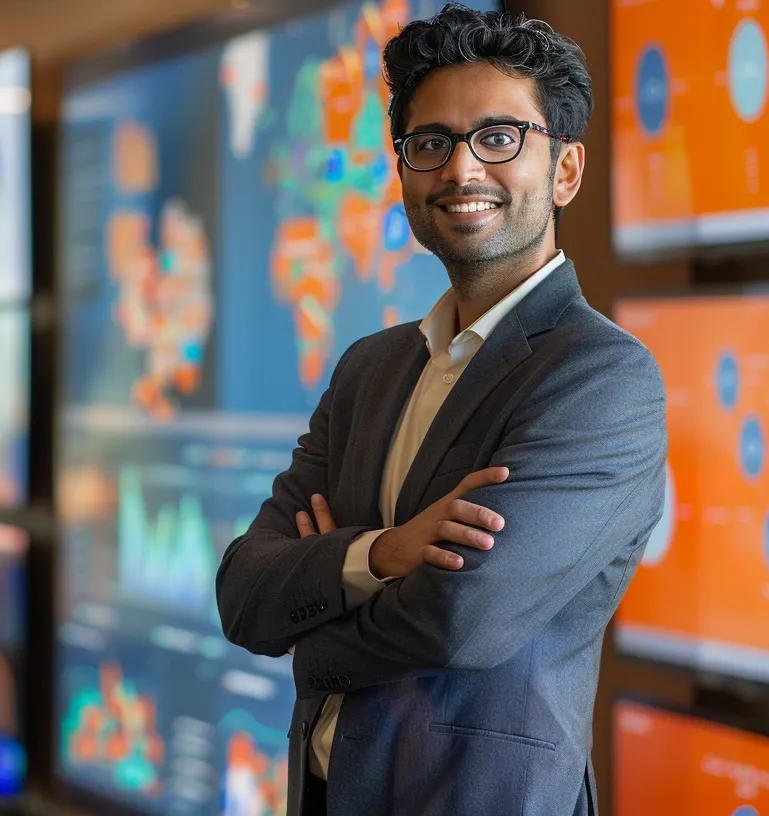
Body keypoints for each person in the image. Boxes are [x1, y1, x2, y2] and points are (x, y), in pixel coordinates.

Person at [215, 5, 667, 814]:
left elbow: (463, 620)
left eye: (499, 138)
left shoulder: (603, 378)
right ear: (403, 171)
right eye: (431, 143)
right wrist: (385, 555)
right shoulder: (370, 369)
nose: (461, 170)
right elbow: (245, 591)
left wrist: (313, 616)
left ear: (565, 171)